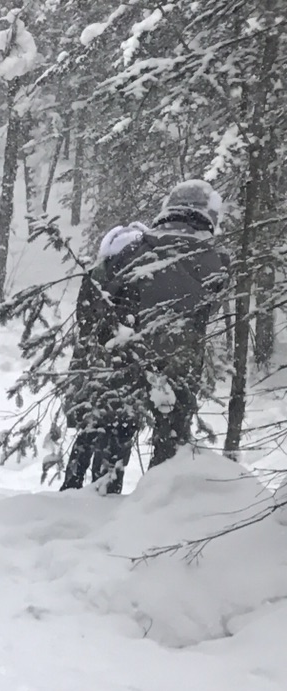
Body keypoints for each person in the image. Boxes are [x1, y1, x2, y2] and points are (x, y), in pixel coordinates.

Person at [62, 179, 232, 493]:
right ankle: (156, 509)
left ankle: (93, 502)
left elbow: (95, 295)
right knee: (170, 448)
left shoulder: (132, 248)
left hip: (125, 356)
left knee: (112, 436)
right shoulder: (218, 261)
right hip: (180, 368)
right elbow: (209, 307)